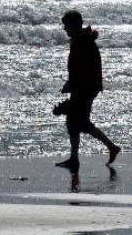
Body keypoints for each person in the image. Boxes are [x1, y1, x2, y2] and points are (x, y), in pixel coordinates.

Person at [54, 10, 120, 170]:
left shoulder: (82, 42)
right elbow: (79, 69)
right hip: (84, 87)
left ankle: (111, 147)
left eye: (66, 25)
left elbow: (83, 69)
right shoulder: (82, 40)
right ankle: (74, 158)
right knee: (73, 122)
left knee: (81, 122)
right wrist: (70, 84)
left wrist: (72, 85)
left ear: (74, 25)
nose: (64, 29)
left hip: (85, 88)